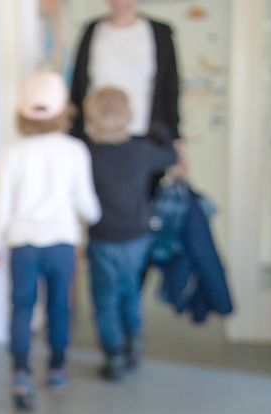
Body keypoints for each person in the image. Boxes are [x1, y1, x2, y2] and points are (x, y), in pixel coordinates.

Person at [0, 71, 102, 410]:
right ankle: (56, 369)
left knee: (21, 308)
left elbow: (0, 205)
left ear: (21, 112)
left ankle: (21, 372)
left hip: (22, 243)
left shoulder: (11, 153)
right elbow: (87, 205)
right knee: (59, 309)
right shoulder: (75, 151)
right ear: (64, 111)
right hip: (63, 243)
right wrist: (95, 217)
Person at [84, 87, 176, 380]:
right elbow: (170, 157)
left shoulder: (89, 155)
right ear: (129, 115)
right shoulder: (142, 151)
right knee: (131, 293)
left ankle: (114, 355)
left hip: (102, 238)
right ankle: (134, 343)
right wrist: (160, 132)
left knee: (104, 296)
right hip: (137, 236)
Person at [69, 0, 182, 151]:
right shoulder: (92, 30)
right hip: (96, 137)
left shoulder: (160, 32)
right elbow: (77, 86)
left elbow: (171, 88)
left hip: (146, 137)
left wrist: (175, 138)